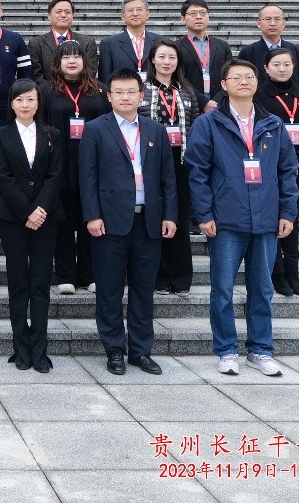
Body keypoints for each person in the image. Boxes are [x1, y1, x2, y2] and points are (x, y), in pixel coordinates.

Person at [185, 59, 299, 377]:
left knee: (262, 289)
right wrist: (203, 214)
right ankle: (226, 349)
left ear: (257, 82)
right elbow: (197, 173)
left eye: (249, 76)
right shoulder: (208, 124)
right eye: (236, 77)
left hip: (266, 219)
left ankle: (260, 350)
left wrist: (288, 212)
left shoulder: (273, 124)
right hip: (226, 220)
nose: (244, 81)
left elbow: (288, 170)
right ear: (224, 84)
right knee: (222, 289)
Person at [79, 68, 177, 376]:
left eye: (130, 92)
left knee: (143, 289)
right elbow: (87, 177)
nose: (125, 97)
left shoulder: (155, 130)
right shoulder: (95, 129)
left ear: (141, 95)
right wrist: (92, 215)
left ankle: (141, 350)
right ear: (109, 96)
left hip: (148, 221)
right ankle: (114, 349)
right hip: (109, 223)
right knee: (109, 290)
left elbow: (168, 177)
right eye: (118, 92)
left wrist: (169, 215)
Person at [0, 80, 63, 372]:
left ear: (38, 103)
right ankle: (21, 348)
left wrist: (39, 210)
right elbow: (3, 177)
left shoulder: (52, 134)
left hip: (47, 218)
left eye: (30, 99)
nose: (25, 105)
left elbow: (55, 175)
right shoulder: (0, 135)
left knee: (41, 284)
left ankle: (39, 350)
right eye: (19, 100)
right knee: (18, 282)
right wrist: (27, 211)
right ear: (11, 103)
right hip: (13, 218)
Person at [38, 40, 109, 296]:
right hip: (60, 166)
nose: (72, 61)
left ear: (85, 61)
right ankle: (66, 275)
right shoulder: (46, 91)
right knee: (64, 223)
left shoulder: (99, 90)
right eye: (66, 57)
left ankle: (90, 274)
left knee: (92, 220)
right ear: (57, 62)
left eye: (76, 56)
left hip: (93, 166)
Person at [139, 39, 204, 298]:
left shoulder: (187, 91)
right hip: (149, 163)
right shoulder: (141, 90)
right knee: (155, 219)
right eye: (162, 57)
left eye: (172, 58)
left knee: (179, 218)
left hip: (181, 162)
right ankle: (159, 276)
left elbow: (196, 124)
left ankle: (180, 276)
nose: (167, 62)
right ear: (152, 60)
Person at [255, 48, 299, 296]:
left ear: (294, 68)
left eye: (286, 64)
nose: (282, 69)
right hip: (268, 166)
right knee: (272, 217)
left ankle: (293, 274)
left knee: (291, 216)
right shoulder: (258, 96)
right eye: (276, 64)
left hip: (297, 166)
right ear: (266, 68)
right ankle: (277, 273)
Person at [237, 4, 299, 90]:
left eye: (277, 19)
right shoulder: (248, 52)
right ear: (258, 24)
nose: (273, 23)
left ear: (284, 24)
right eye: (268, 19)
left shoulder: (294, 50)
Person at [175, 0, 232, 104]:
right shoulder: (176, 47)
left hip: (220, 104)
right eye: (193, 13)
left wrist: (216, 101)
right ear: (183, 19)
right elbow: (179, 77)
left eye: (203, 13)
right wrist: (203, 103)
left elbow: (229, 75)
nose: (198, 17)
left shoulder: (222, 46)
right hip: (190, 103)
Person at [31, 0, 98, 84]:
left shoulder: (87, 42)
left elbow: (90, 72)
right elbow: (35, 75)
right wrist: (51, 89)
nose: (63, 15)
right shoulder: (36, 43)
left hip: (79, 91)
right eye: (58, 12)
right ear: (49, 16)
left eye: (67, 12)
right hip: (47, 91)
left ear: (73, 16)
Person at [98, 0, 162, 84]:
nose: (135, 13)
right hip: (123, 92)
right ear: (122, 16)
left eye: (139, 9)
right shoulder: (109, 44)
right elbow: (104, 78)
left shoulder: (161, 42)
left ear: (148, 14)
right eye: (130, 10)